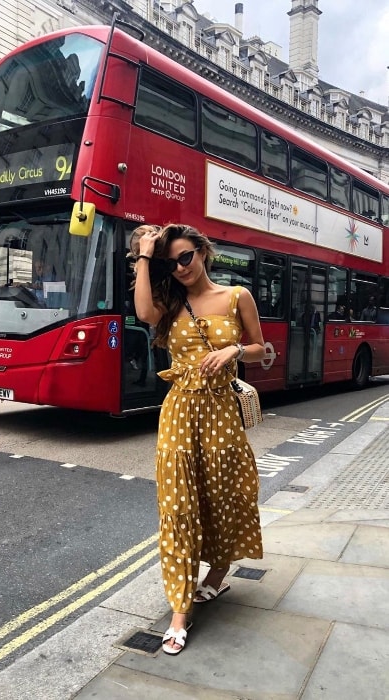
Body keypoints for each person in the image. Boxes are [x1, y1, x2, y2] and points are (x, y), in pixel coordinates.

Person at [134, 223, 265, 656]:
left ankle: (217, 573)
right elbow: (142, 315)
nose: (181, 267)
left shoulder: (236, 297)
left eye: (186, 257)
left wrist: (236, 351)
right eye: (172, 263)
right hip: (179, 414)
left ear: (203, 251)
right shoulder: (170, 302)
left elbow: (264, 350)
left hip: (221, 415)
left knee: (222, 495)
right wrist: (145, 256)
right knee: (178, 506)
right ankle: (179, 609)